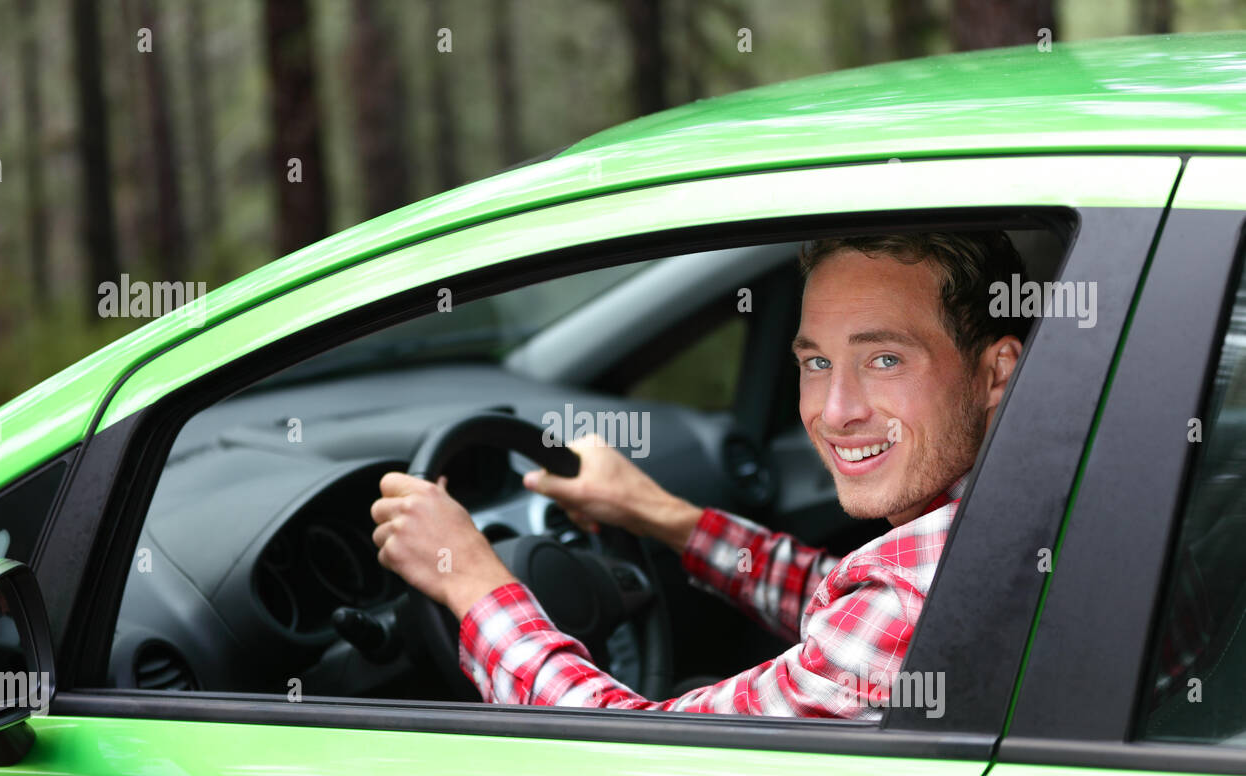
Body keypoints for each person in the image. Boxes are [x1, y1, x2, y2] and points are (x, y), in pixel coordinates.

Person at [370, 232, 1029, 718]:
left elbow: (627, 758)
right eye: (817, 363)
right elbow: (840, 592)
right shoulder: (1018, 503)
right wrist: (664, 517)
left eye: (885, 359)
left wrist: (474, 582)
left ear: (995, 372)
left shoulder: (903, 605)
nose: (835, 413)